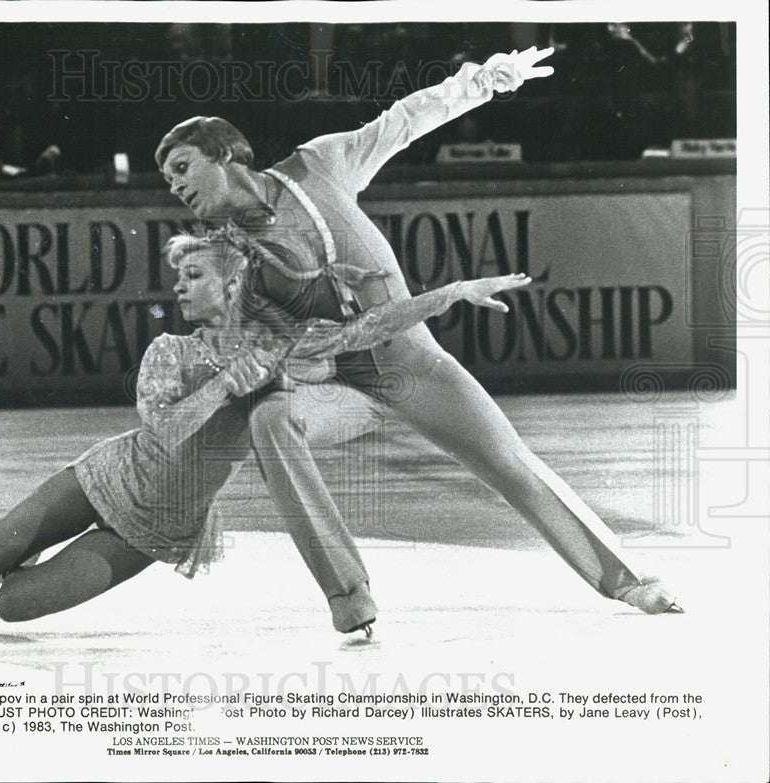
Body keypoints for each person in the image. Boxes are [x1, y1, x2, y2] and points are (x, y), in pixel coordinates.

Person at [0, 228, 531, 641]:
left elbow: (368, 326)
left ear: (232, 282)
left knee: (11, 604)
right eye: (177, 276)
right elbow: (164, 426)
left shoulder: (283, 343)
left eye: (192, 275)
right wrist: (225, 381)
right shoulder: (170, 351)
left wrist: (453, 294)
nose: (178, 286)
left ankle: (16, 563)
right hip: (105, 477)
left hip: (156, 529)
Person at [156, 45, 682, 615]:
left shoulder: (317, 167)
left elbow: (403, 121)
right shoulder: (225, 250)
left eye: (182, 168)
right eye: (168, 179)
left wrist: (481, 83)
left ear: (227, 153)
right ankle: (349, 595)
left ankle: (627, 581)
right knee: (271, 418)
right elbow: (244, 334)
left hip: (411, 365)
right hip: (335, 384)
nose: (176, 187)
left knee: (512, 463)